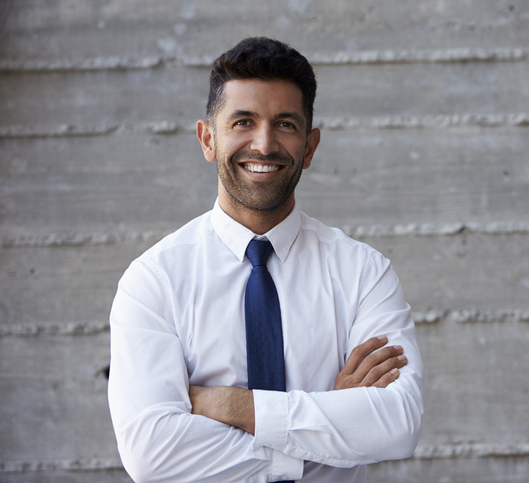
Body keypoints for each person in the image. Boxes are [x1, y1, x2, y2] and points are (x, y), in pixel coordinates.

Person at [107, 37, 424, 482]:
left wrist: (231, 406)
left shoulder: (363, 273)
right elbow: (151, 455)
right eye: (243, 121)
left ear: (310, 147)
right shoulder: (154, 280)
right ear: (207, 139)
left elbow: (397, 423)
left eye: (286, 125)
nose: (264, 143)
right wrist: (325, 425)